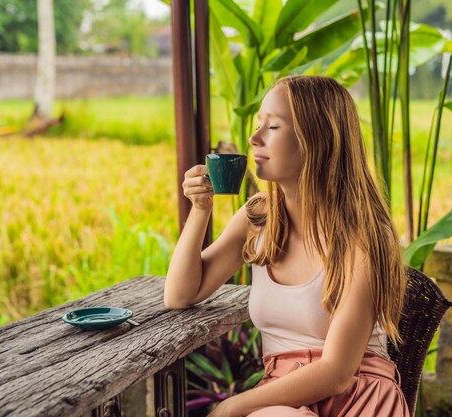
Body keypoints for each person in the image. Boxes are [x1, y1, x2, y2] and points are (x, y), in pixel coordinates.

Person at [164, 75, 409, 417]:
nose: (253, 138)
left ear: (317, 139)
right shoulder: (258, 218)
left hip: (357, 398)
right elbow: (180, 294)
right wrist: (201, 210)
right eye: (257, 124)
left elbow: (337, 373)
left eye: (273, 126)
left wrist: (229, 408)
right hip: (280, 401)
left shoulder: (364, 235)